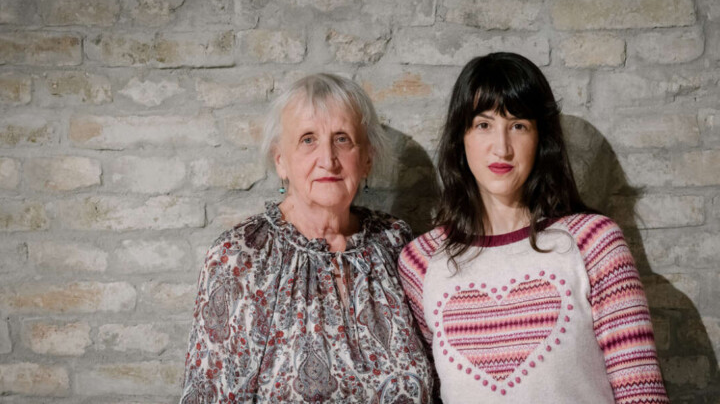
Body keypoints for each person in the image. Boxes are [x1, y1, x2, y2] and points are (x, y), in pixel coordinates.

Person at [398, 52, 668, 403]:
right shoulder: (421, 261)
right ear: (461, 138)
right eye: (483, 125)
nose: (502, 148)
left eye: (518, 126)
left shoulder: (594, 243)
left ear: (541, 139)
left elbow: (642, 393)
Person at [180, 74, 433, 403]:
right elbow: (208, 393)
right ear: (280, 160)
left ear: (367, 158)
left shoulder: (395, 242)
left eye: (342, 139)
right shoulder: (239, 258)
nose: (328, 159)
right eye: (308, 139)